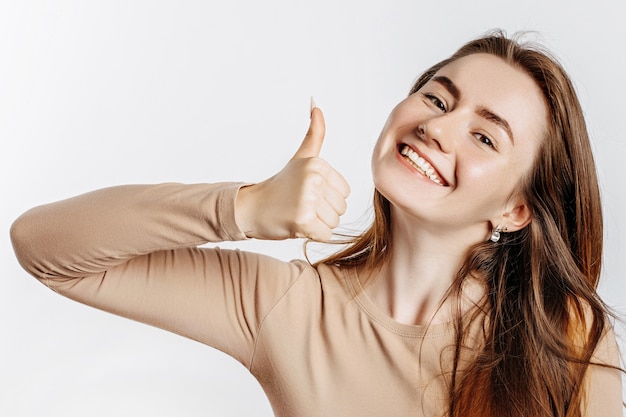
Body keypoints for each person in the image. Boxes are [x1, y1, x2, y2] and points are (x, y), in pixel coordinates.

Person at [10, 30, 623, 417]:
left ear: (515, 210)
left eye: (484, 135)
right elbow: (43, 248)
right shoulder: (287, 307)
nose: (438, 126)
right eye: (437, 98)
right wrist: (244, 208)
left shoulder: (561, 335)